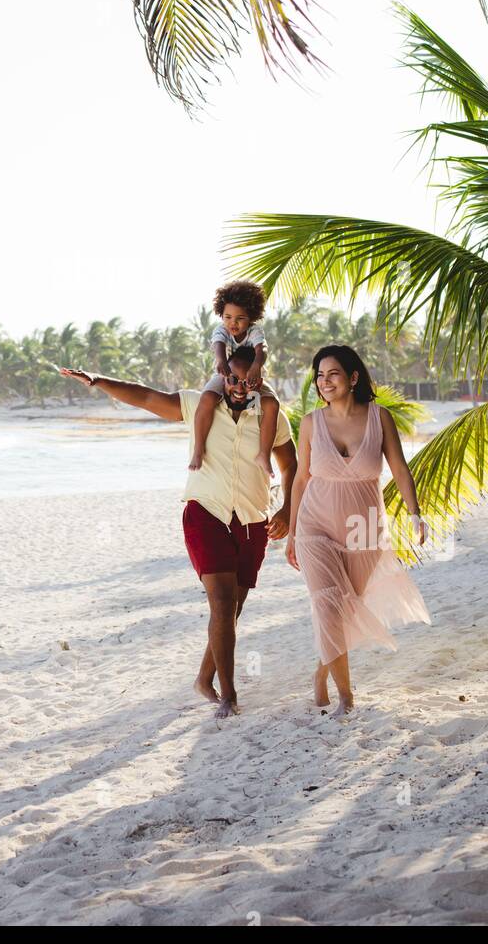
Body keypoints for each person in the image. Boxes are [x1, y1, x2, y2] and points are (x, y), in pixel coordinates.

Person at [61, 347, 297, 720]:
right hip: (206, 512)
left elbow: (290, 466)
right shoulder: (198, 405)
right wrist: (99, 381)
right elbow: (147, 396)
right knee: (221, 604)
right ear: (222, 376)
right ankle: (229, 695)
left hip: (253, 519)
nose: (238, 387)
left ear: (258, 378)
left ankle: (204, 679)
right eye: (231, 379)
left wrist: (286, 510)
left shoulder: (271, 415)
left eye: (246, 380)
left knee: (232, 609)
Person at [285, 345, 432, 719]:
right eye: (319, 375)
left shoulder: (379, 418)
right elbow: (301, 480)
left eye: (332, 373)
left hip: (363, 529)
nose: (324, 382)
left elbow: (399, 468)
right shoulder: (309, 423)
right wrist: (291, 533)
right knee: (327, 606)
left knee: (346, 611)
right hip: (314, 525)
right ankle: (346, 698)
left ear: (353, 378)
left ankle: (320, 676)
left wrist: (415, 514)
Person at [190, 280, 280, 479]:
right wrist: (221, 361)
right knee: (207, 399)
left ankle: (264, 454)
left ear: (251, 318)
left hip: (252, 375)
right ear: (221, 315)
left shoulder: (255, 331)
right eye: (228, 317)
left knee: (272, 404)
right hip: (226, 373)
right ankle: (198, 448)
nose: (233, 323)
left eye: (240, 318)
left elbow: (261, 349)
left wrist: (257, 366)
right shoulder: (221, 330)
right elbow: (218, 346)